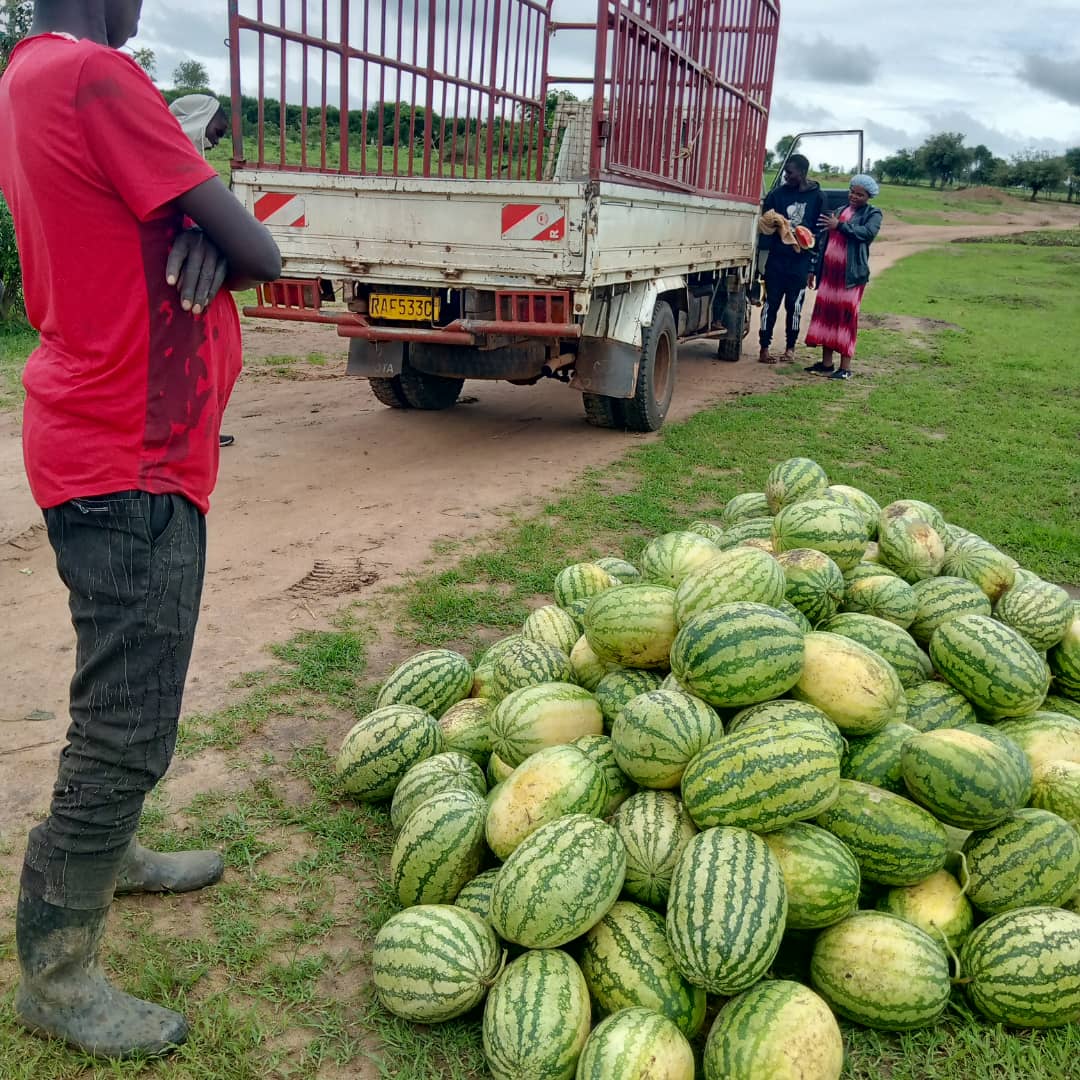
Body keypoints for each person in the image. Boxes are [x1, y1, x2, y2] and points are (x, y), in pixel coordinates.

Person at [0, 0, 280, 1060]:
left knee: (112, 683)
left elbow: (197, 236)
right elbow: (257, 245)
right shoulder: (99, 77)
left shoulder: (28, 73)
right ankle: (59, 975)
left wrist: (194, 231)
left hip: (98, 435)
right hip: (133, 453)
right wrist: (217, 235)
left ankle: (111, 855)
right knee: (129, 719)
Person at [169, 94, 235, 447]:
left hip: (201, 290)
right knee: (189, 366)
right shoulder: (174, 164)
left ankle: (204, 427)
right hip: (184, 290)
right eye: (217, 129)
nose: (218, 137)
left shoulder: (193, 165)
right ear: (199, 120)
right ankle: (191, 431)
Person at [804, 174, 883, 379]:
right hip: (831, 274)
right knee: (827, 316)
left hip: (851, 277)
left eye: (860, 194)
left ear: (869, 196)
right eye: (852, 192)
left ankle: (845, 368)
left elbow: (866, 233)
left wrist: (839, 226)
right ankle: (827, 363)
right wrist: (814, 269)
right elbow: (823, 243)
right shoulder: (840, 211)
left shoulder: (873, 213)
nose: (854, 197)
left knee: (846, 318)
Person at [758, 154, 823, 364]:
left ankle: (790, 348)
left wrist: (813, 265)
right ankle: (764, 348)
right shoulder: (777, 194)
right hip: (777, 260)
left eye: (790, 172)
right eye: (785, 172)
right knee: (770, 304)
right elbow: (765, 222)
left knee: (794, 307)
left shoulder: (818, 197)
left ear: (802, 173)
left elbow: (820, 232)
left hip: (800, 262)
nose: (786, 176)